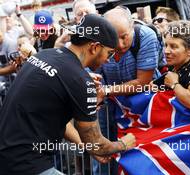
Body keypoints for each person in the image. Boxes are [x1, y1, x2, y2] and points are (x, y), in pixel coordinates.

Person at [0, 14, 136, 175]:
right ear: (95, 47)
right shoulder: (79, 79)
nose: (109, 60)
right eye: (110, 53)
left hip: (8, 155)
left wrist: (89, 147)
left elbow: (56, 119)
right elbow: (97, 143)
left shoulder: (45, 55)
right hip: (26, 163)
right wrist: (124, 144)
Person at [93, 6, 162, 175]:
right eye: (113, 39)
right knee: (102, 146)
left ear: (132, 26)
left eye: (124, 36)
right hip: (109, 104)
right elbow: (95, 78)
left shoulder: (146, 36)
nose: (120, 44)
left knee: (143, 149)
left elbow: (143, 81)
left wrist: (106, 90)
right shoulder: (98, 41)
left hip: (143, 104)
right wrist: (99, 91)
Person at [153, 20, 190, 110]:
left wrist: (174, 84)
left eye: (173, 46)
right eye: (166, 45)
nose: (166, 51)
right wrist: (157, 87)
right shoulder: (173, 66)